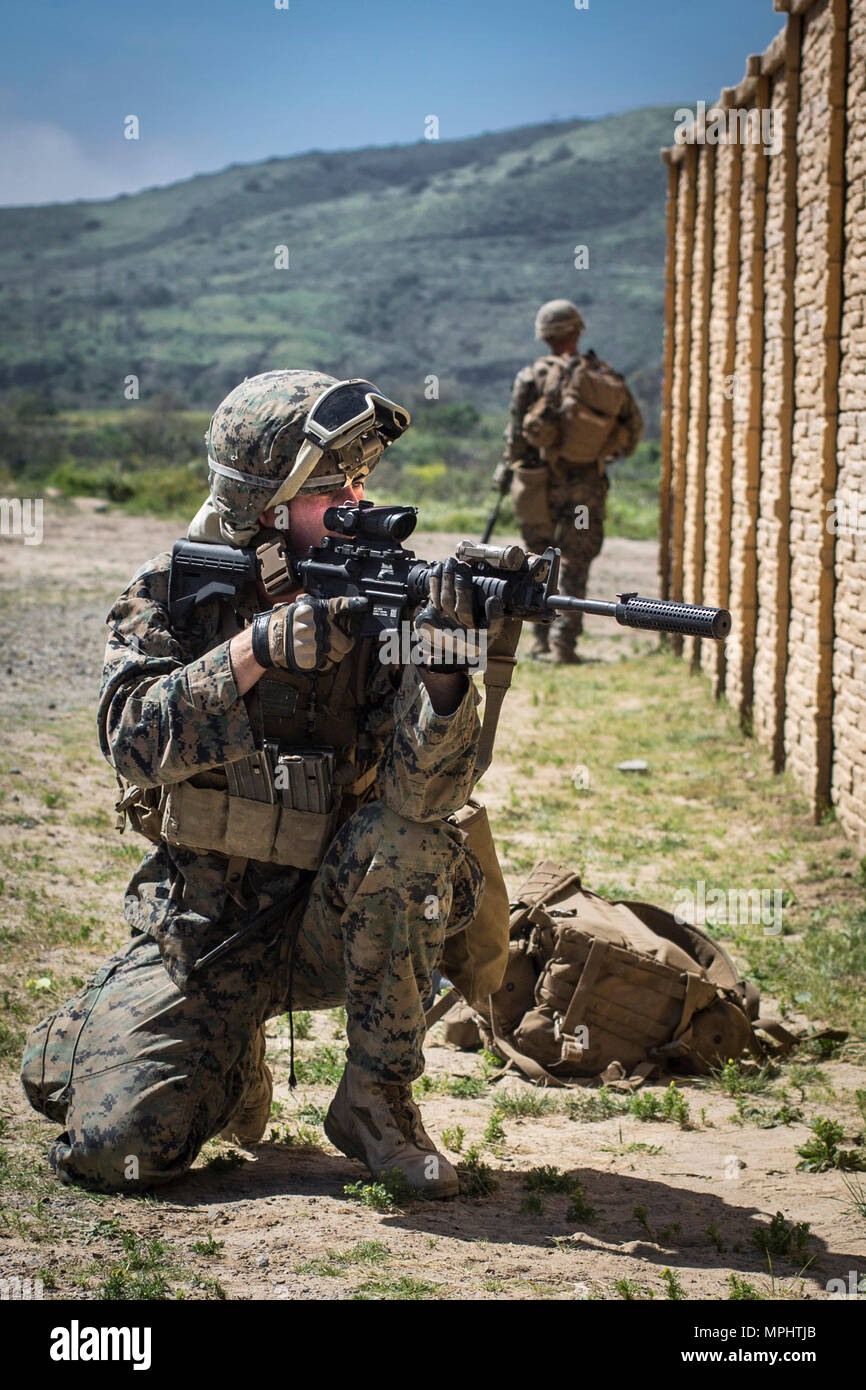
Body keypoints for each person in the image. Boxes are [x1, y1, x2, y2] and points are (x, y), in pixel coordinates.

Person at [20, 369, 495, 1199]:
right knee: (114, 1147)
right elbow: (132, 744)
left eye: (358, 482)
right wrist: (256, 652)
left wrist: (449, 669)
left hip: (336, 922)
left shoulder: (386, 607)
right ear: (265, 509)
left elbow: (428, 796)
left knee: (411, 842)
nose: (355, 501)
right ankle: (197, 1059)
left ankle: (375, 1101)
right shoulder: (175, 595)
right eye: (330, 489)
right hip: (206, 930)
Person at [497, 299, 642, 663]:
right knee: (576, 562)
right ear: (578, 332)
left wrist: (506, 471)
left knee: (537, 563)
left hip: (540, 484)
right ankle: (566, 644)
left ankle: (540, 638)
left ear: (545, 337)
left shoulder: (531, 377)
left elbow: (517, 436)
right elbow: (633, 430)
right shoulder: (604, 378)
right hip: (586, 486)